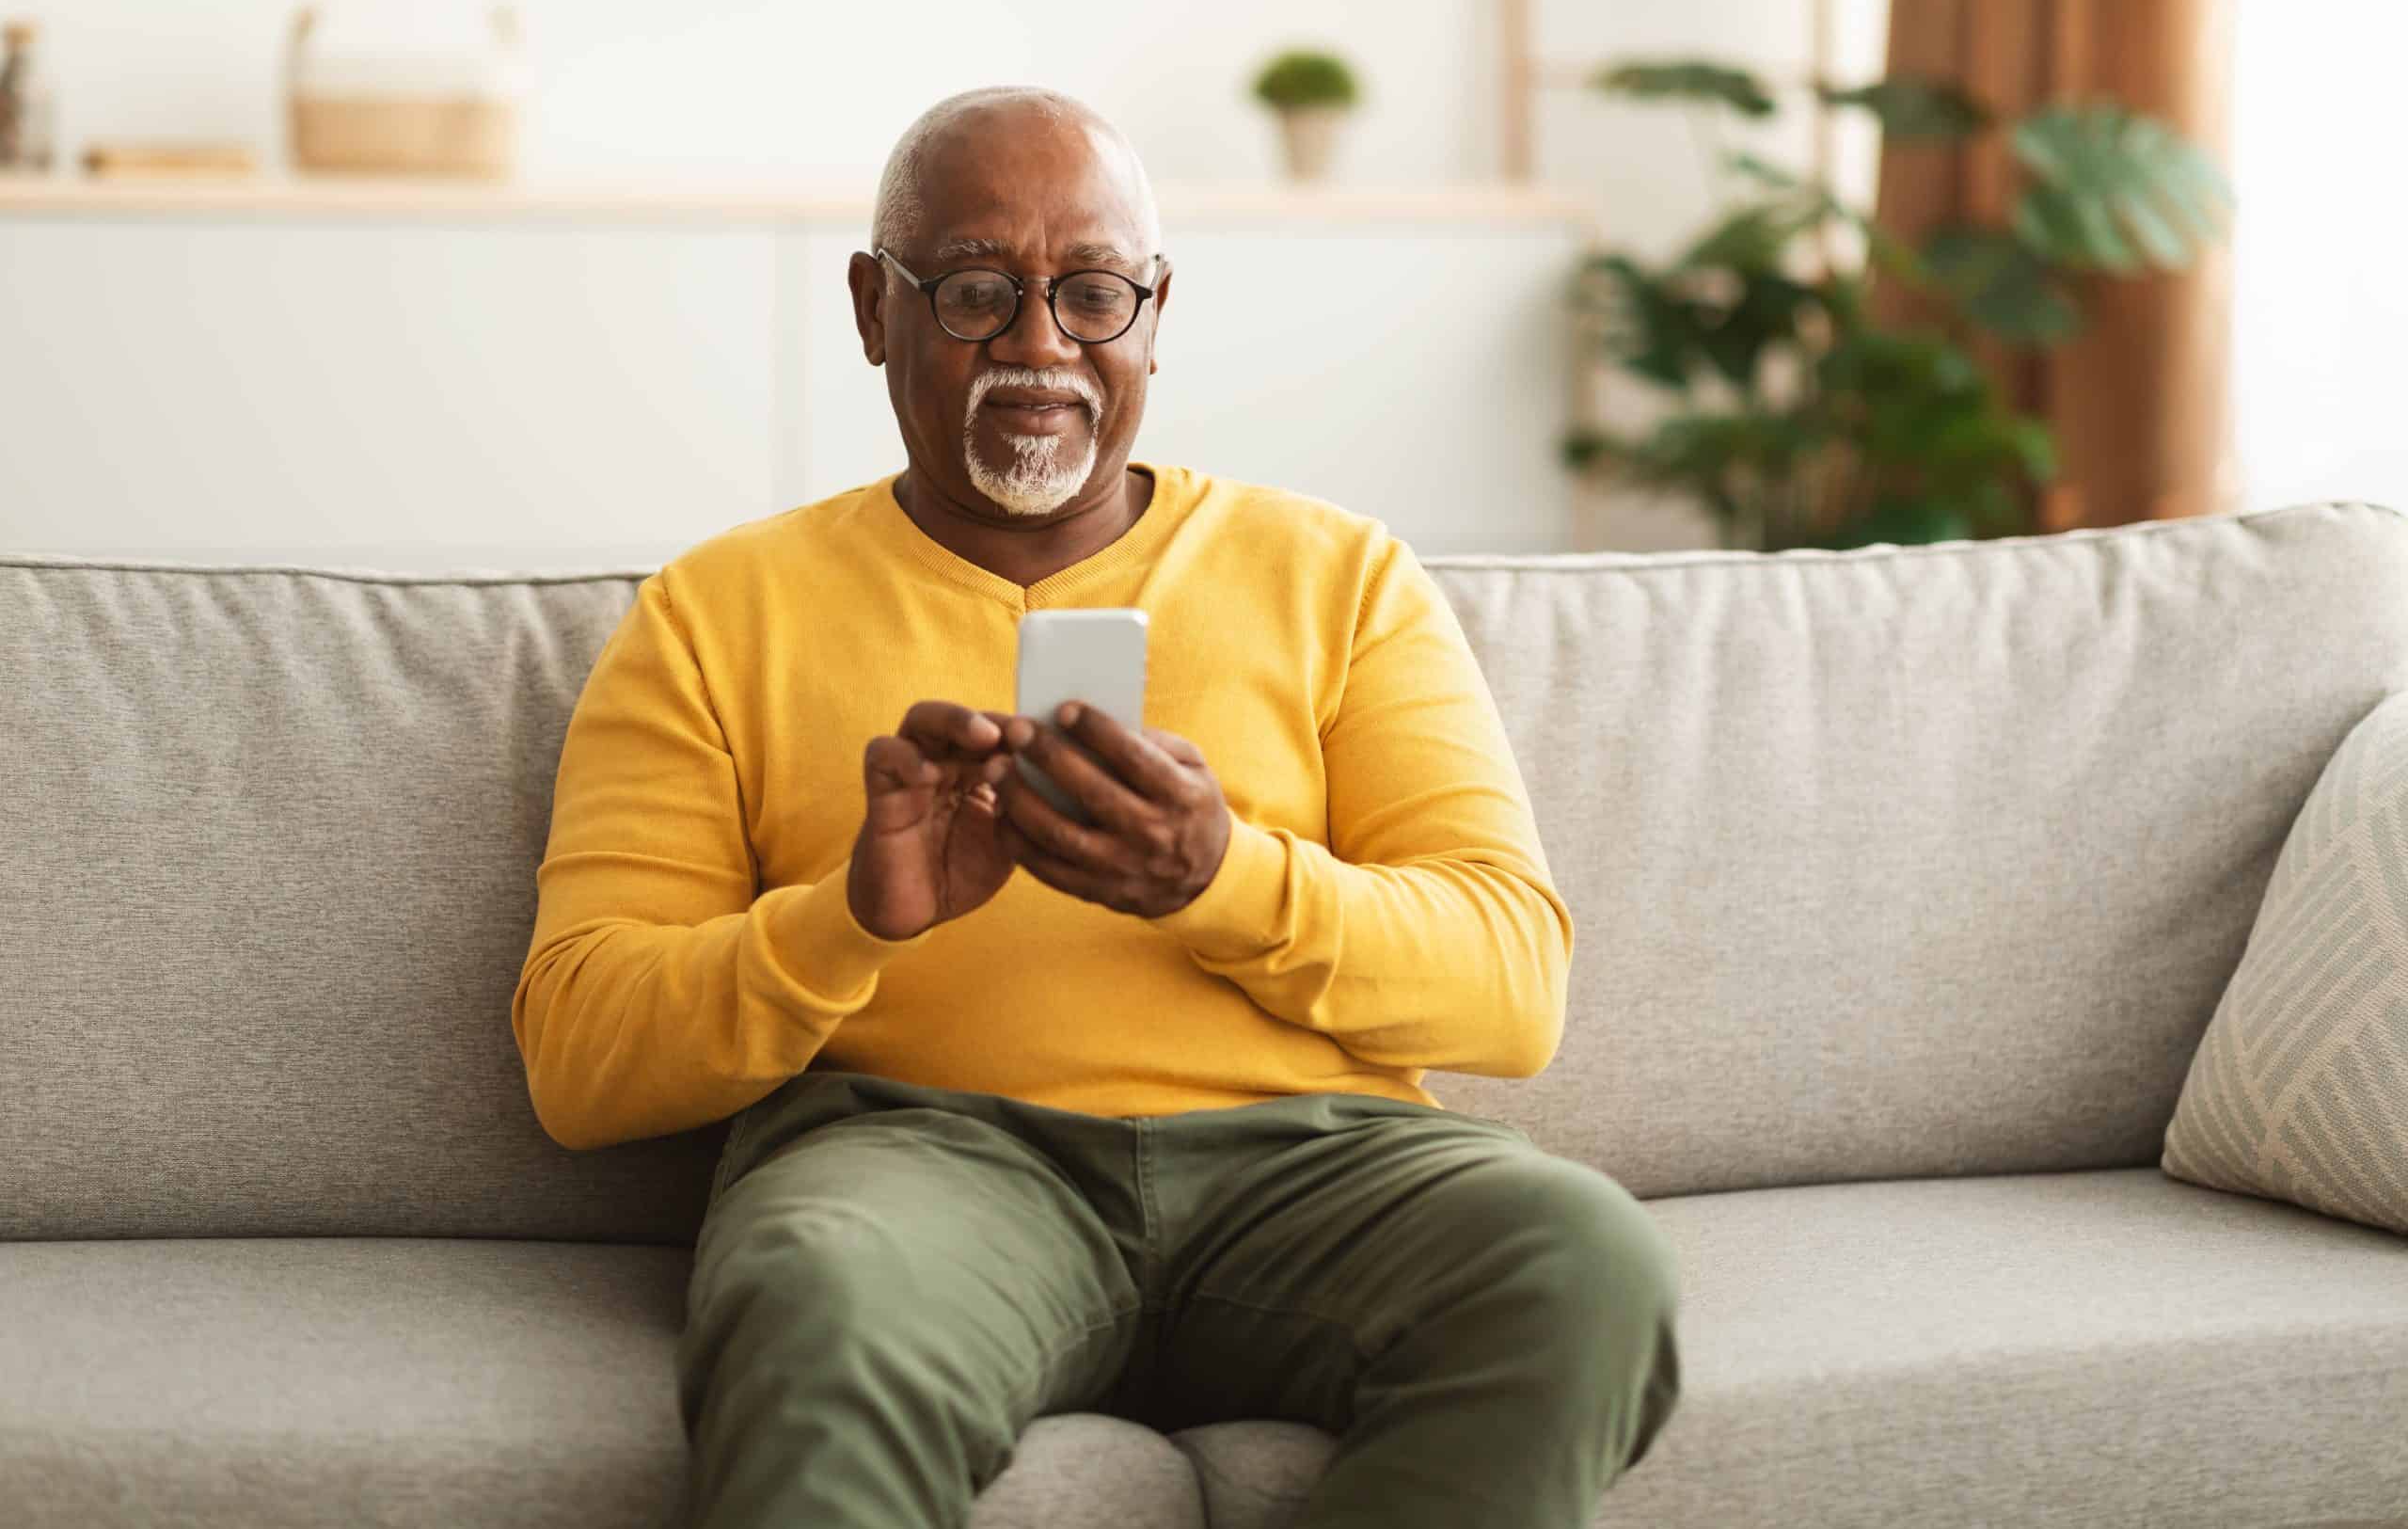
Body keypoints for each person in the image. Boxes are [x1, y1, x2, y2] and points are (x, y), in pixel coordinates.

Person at [512, 84, 1681, 1529]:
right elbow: (580, 1057)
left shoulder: (1342, 577)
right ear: (877, 308)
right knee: (814, 1300)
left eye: (1092, 293)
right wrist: (845, 923)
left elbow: (1513, 989)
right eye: (979, 292)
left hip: (1312, 1161)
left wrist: (1224, 877)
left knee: (1583, 1261)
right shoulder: (713, 612)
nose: (1040, 346)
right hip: (922, 1165)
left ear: (1156, 308)